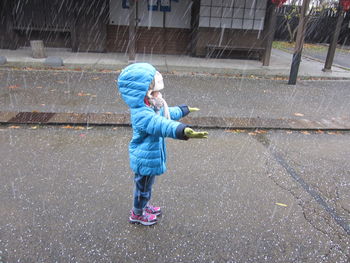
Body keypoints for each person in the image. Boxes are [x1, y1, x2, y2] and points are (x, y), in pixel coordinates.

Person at [117, 63, 208, 226]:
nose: (159, 94)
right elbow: (161, 124)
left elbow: (166, 113)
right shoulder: (142, 114)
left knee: (146, 186)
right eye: (156, 91)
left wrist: (183, 110)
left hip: (149, 156)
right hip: (144, 159)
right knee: (142, 188)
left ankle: (144, 206)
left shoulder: (150, 106)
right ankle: (137, 213)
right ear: (146, 93)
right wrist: (182, 130)